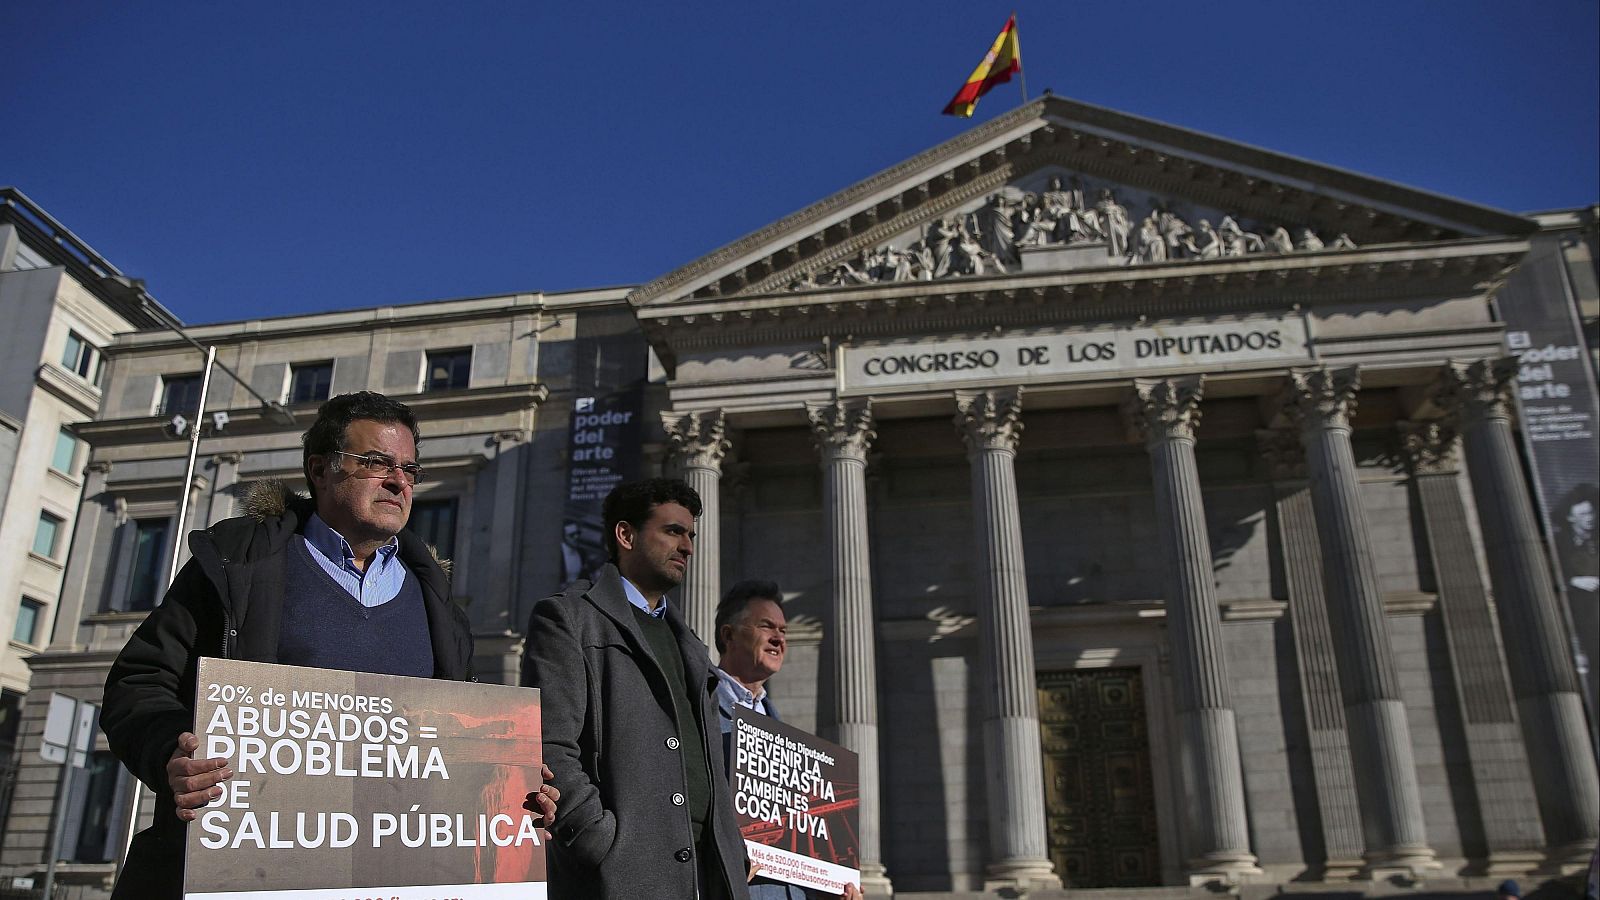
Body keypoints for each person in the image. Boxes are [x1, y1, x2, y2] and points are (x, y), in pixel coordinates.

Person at [100, 392, 557, 899]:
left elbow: (451, 753)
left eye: (409, 468)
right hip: (244, 874)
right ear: (320, 469)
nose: (398, 481)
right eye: (376, 462)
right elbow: (138, 683)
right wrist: (170, 751)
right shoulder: (237, 568)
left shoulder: (439, 606)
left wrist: (515, 788)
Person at [523, 478, 750, 900]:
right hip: (626, 874)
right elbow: (549, 744)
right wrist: (599, 841)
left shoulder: (691, 645)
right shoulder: (569, 619)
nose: (687, 546)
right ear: (625, 535)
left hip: (709, 874)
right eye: (672, 531)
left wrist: (733, 851)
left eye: (690, 535)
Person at [712, 582, 863, 900]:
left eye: (784, 630)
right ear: (728, 636)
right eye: (766, 626)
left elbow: (800, 854)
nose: (779, 639)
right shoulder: (697, 711)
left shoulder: (783, 737)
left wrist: (834, 889)